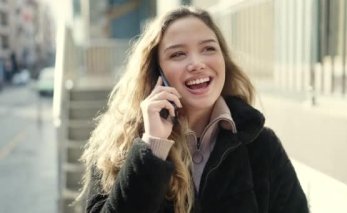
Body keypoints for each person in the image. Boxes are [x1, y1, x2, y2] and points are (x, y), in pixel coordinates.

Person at [79, 6, 309, 213]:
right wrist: (152, 148)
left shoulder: (261, 145)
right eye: (178, 54)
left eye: (208, 49)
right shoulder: (117, 145)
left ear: (223, 61)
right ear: (156, 72)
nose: (197, 63)